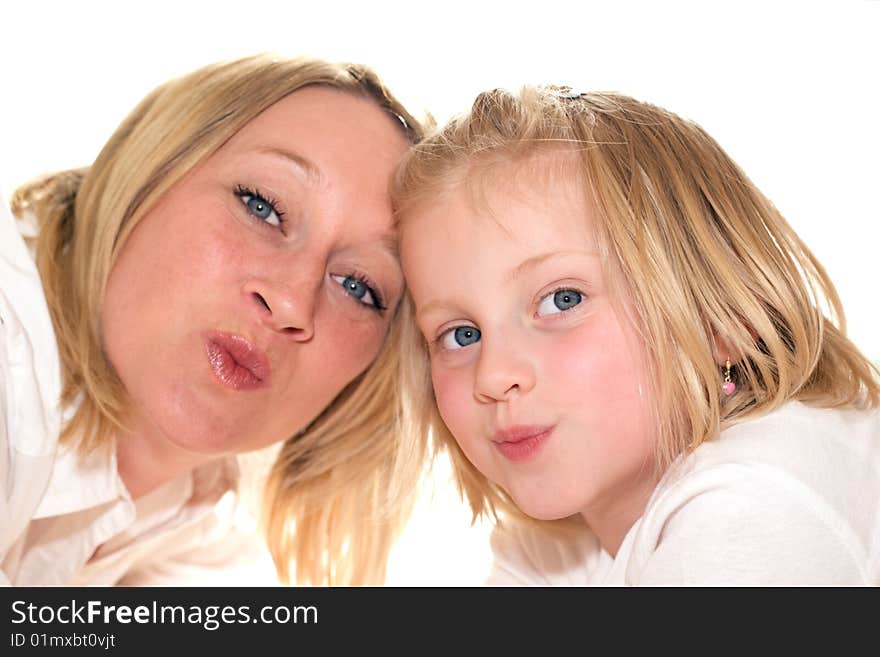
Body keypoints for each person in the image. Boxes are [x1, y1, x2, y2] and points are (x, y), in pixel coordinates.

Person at [392, 86, 880, 585]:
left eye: (563, 300)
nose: (494, 375)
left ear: (722, 318)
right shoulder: (554, 544)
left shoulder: (760, 497)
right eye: (461, 334)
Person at [0, 54, 426, 586]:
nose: (292, 303)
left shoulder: (204, 528)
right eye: (263, 206)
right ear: (148, 171)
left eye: (359, 287)